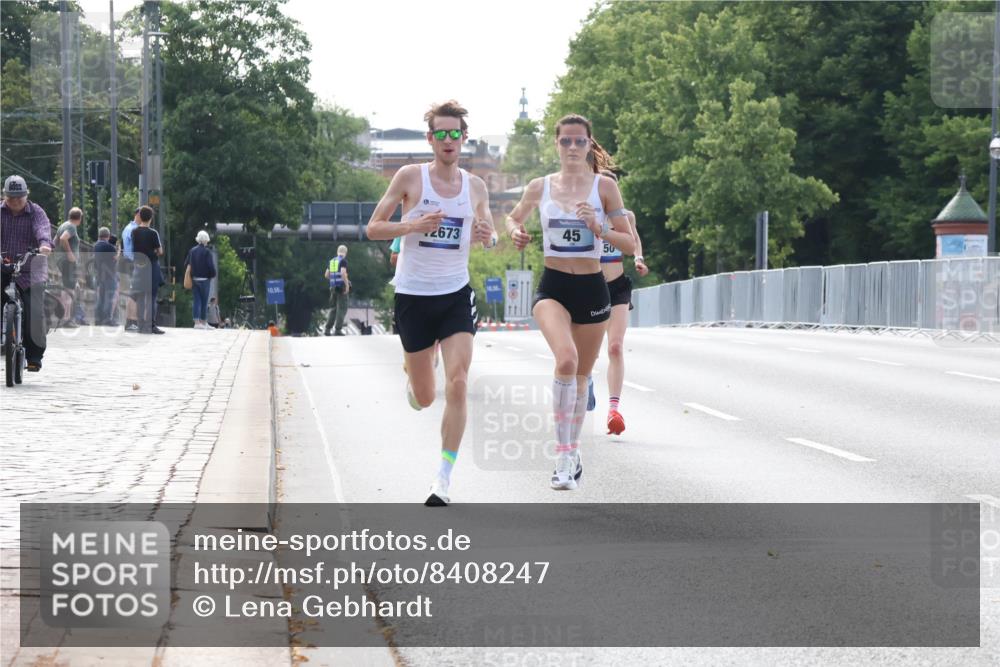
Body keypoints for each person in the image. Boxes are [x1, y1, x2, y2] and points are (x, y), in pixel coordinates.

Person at [366, 99, 497, 506]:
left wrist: (485, 236)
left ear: (464, 139)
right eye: (440, 133)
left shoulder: (475, 187)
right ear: (430, 139)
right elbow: (373, 228)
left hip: (455, 294)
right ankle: (417, 373)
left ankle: (443, 477)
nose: (447, 140)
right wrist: (412, 225)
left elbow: (491, 236)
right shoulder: (410, 177)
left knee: (458, 383)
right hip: (413, 297)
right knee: (425, 397)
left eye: (454, 133)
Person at [505, 114, 635, 491]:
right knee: (565, 359)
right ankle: (562, 457)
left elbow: (628, 243)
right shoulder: (540, 187)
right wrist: (516, 233)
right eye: (566, 142)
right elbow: (512, 220)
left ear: (589, 145)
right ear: (556, 145)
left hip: (594, 288)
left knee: (580, 380)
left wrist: (599, 228)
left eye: (580, 142)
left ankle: (572, 450)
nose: (573, 148)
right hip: (554, 286)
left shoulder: (605, 188)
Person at [589, 169, 649, 435]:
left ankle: (614, 410)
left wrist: (638, 259)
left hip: (618, 287)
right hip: (590, 287)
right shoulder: (588, 215)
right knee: (586, 351)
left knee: (614, 347)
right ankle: (585, 379)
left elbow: (634, 240)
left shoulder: (626, 217)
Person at [0, 175, 53, 372]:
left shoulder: (35, 212)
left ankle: (34, 356)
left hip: (30, 268)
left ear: (26, 195)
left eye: (19, 198)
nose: (15, 202)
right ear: (4, 196)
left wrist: (45, 245)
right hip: (3, 265)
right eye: (11, 198)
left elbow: (43, 229)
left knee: (35, 311)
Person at [131, 205, 164, 334]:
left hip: (139, 266)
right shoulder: (153, 233)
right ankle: (151, 325)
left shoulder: (134, 232)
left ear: (140, 216)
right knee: (151, 296)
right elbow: (160, 251)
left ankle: (140, 325)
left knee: (140, 296)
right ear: (150, 218)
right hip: (151, 266)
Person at [55, 207, 86, 325]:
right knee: (69, 290)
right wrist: (70, 254)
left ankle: (65, 317)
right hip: (68, 263)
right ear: (79, 218)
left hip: (62, 262)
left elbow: (55, 241)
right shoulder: (72, 226)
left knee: (69, 288)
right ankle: (66, 319)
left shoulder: (63, 225)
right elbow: (63, 238)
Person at [185, 230, 217, 329]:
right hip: (205, 280)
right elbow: (211, 267)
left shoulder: (192, 250)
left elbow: (186, 264)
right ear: (206, 240)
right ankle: (203, 322)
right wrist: (212, 275)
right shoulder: (207, 252)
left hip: (194, 279)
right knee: (204, 301)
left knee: (197, 300)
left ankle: (196, 322)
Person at [120, 208, 141, 332]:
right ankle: (131, 321)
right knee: (133, 294)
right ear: (137, 214)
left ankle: (131, 321)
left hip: (129, 262)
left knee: (133, 293)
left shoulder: (129, 228)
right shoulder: (133, 229)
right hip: (131, 262)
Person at [93, 226, 119, 326]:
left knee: (101, 298)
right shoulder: (109, 247)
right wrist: (119, 250)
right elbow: (115, 258)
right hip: (110, 275)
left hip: (100, 275)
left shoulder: (96, 246)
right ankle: (107, 319)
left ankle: (98, 319)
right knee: (109, 297)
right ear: (108, 236)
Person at [323, 244, 351, 336]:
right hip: (341, 287)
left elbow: (326, 275)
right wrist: (347, 285)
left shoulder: (332, 261)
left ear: (337, 251)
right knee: (341, 308)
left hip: (333, 287)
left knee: (333, 308)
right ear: (345, 252)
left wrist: (334, 279)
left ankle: (327, 329)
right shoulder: (343, 261)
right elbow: (343, 273)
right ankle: (337, 330)